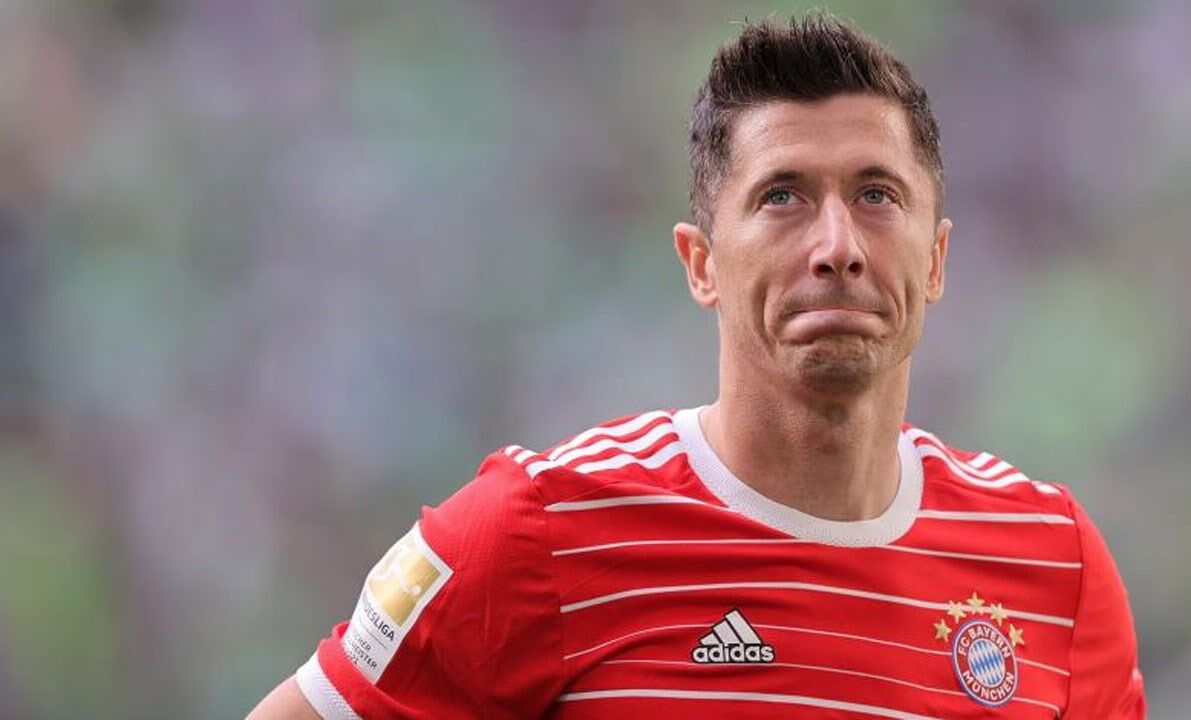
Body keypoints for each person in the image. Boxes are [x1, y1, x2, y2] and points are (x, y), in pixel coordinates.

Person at [248, 12, 1145, 719]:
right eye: (783, 197)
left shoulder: (1052, 565)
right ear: (702, 263)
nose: (837, 246)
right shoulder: (539, 531)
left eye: (877, 195)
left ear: (938, 259)